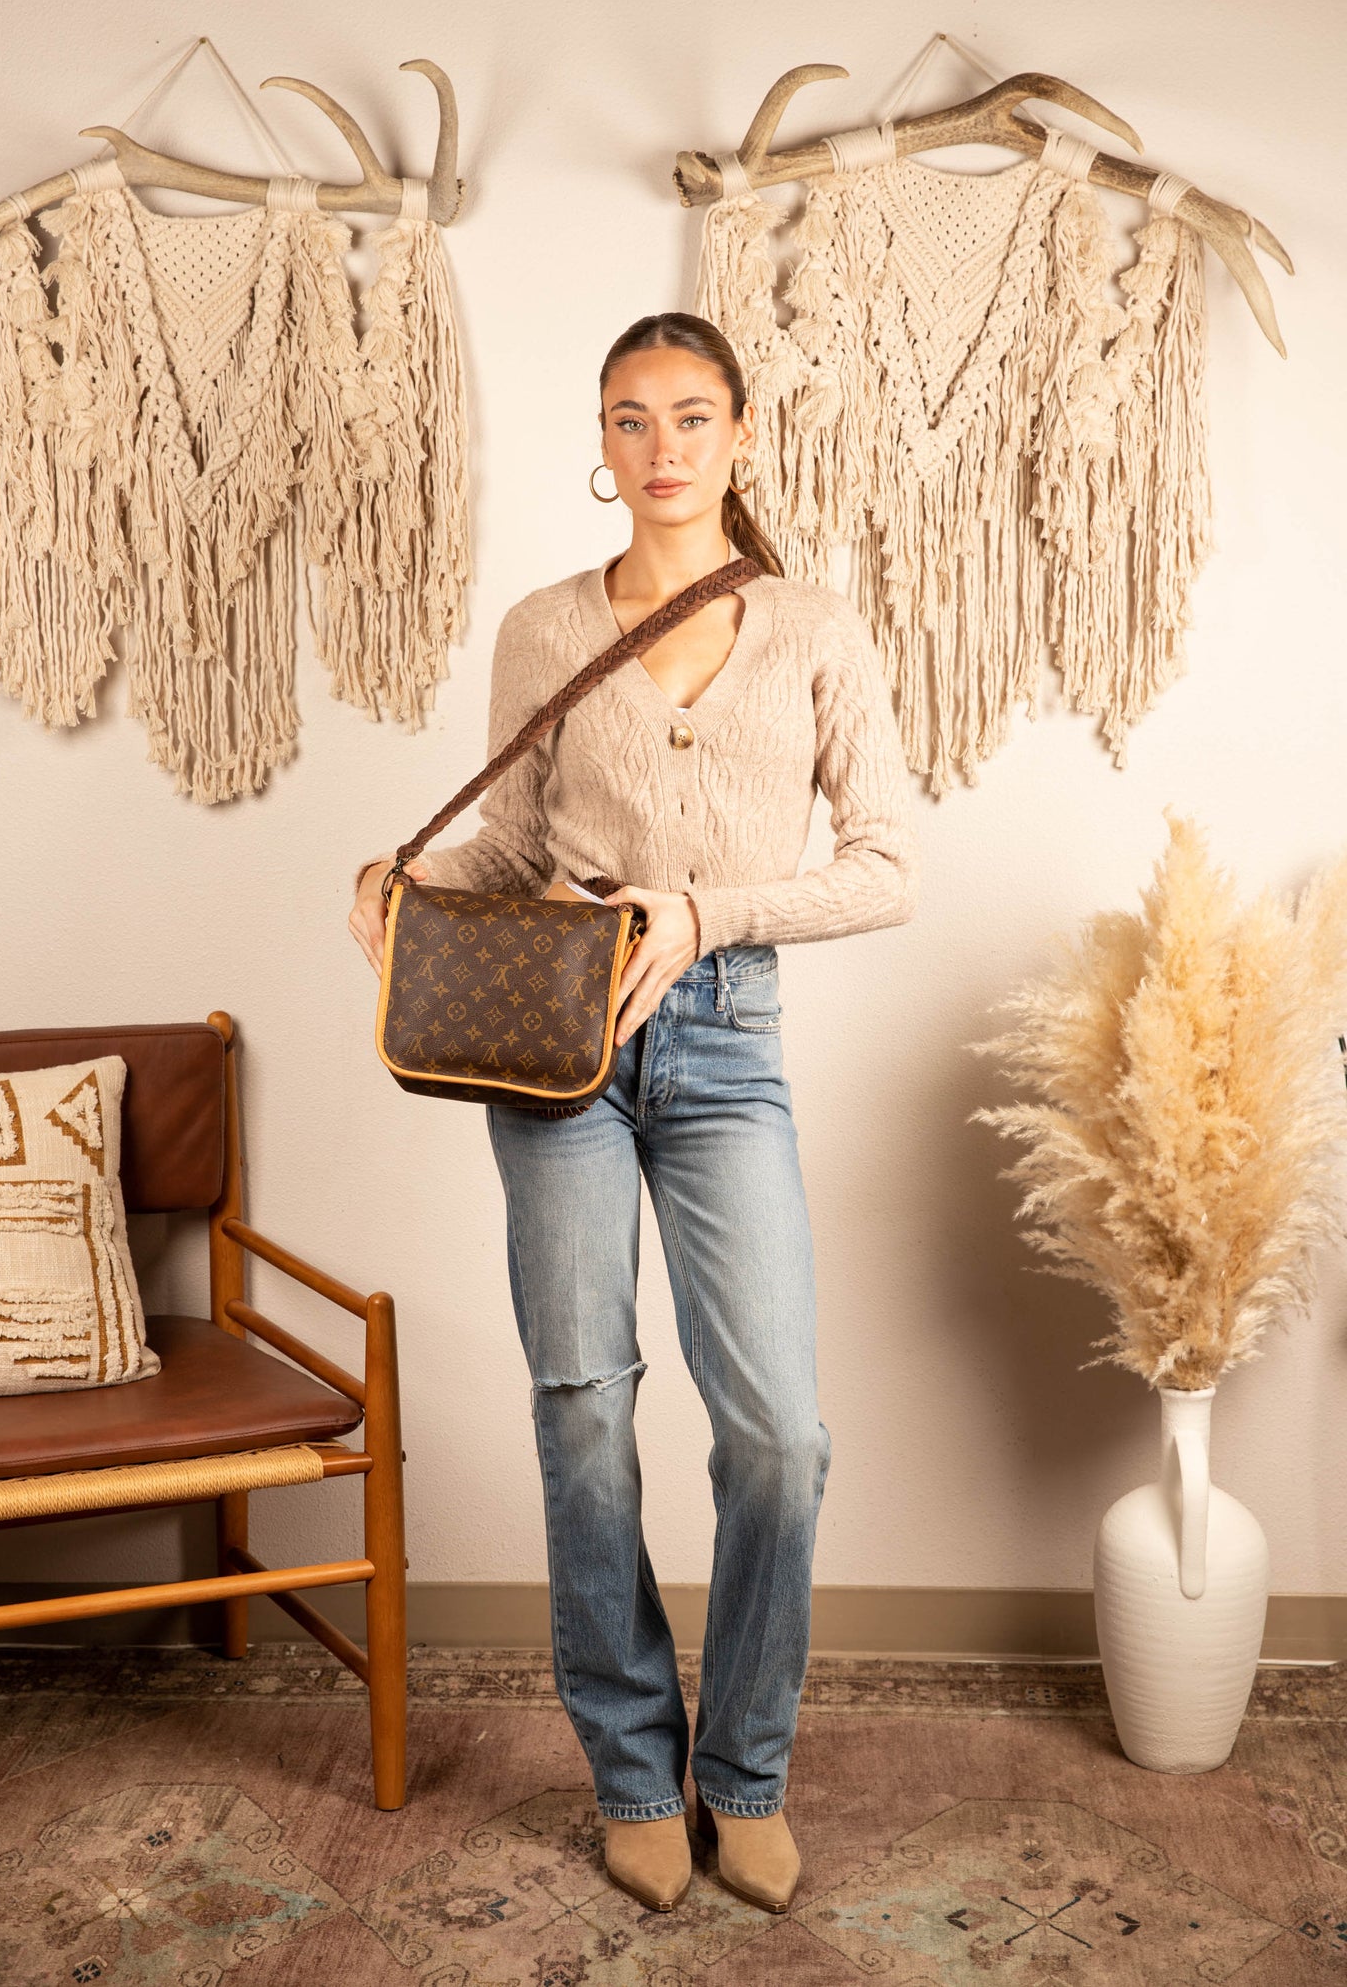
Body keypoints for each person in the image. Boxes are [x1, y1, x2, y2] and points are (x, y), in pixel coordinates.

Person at [349, 313, 918, 1915]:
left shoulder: (815, 628)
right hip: (559, 1051)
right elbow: (512, 846)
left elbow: (886, 867)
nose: (662, 447)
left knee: (779, 1437)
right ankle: (631, 1773)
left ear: (742, 433)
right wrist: (400, 878)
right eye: (629, 419)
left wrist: (708, 914)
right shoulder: (542, 628)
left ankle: (744, 1772)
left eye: (691, 415)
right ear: (601, 446)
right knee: (585, 1407)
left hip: (728, 1046)